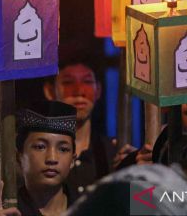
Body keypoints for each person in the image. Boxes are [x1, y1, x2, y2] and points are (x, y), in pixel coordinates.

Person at [43, 55, 150, 197]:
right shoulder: (40, 156)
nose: (79, 91)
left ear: (98, 90)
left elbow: (141, 208)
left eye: (87, 81)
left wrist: (141, 175)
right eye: (68, 82)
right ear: (50, 91)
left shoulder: (114, 154)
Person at [0, 100, 78, 216]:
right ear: (19, 156)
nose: (52, 158)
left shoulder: (90, 209)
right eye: (40, 147)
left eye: (63, 149)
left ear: (72, 160)